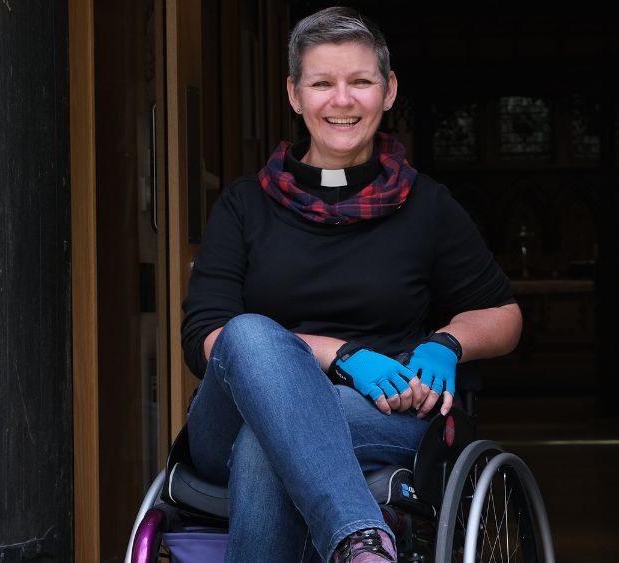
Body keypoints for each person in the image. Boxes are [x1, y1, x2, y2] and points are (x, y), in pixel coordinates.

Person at [179, 7, 522, 563]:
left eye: (360, 82)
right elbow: (206, 340)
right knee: (247, 335)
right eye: (322, 83)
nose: (342, 100)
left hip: (381, 408)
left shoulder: (428, 206)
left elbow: (504, 314)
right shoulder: (244, 205)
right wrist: (339, 355)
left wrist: (448, 342)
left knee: (265, 447)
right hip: (233, 410)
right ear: (294, 95)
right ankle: (359, 538)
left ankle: (360, 549)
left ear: (388, 92)